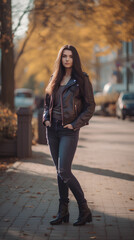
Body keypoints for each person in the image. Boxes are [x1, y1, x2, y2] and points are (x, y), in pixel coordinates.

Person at [43, 45, 95, 226]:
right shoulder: (54, 78)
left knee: (64, 170)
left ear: (75, 59)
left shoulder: (81, 80)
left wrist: (75, 124)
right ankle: (63, 212)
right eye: (64, 56)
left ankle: (84, 209)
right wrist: (45, 119)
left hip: (69, 130)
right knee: (59, 172)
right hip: (52, 130)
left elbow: (90, 107)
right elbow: (46, 103)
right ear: (60, 58)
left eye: (70, 56)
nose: (67, 59)